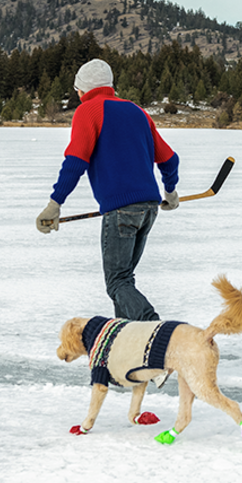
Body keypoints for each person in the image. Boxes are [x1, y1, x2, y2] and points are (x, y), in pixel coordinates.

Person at [36, 58, 179, 322]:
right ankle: (127, 346)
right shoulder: (137, 111)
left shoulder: (88, 111)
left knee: (117, 283)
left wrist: (55, 203)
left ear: (82, 90)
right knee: (125, 280)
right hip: (149, 207)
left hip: (122, 212)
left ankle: (152, 327)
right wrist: (170, 191)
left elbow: (76, 161)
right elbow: (169, 159)